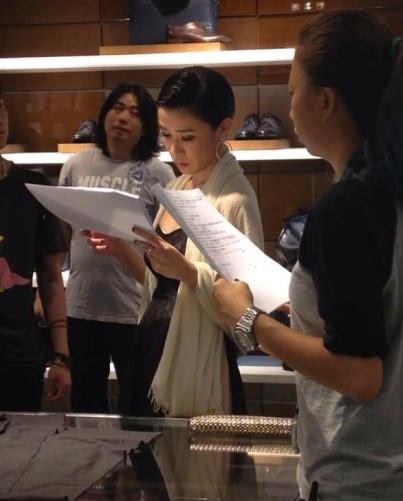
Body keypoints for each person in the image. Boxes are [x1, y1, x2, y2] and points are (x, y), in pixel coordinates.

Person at [214, 10, 403, 501]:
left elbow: (361, 374)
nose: (288, 108)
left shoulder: (346, 208)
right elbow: (382, 324)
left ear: (326, 101)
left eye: (293, 92)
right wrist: (303, 317)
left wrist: (248, 321)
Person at [88, 66, 264, 417]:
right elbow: (159, 285)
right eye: (166, 135)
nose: (174, 149)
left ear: (223, 128)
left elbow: (249, 310)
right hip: (152, 344)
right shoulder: (175, 187)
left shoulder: (234, 200)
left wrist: (189, 272)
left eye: (187, 137)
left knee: (190, 451)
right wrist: (121, 247)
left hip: (197, 361)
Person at [59, 83, 174, 414]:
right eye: (117, 108)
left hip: (134, 308)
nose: (123, 118)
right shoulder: (77, 164)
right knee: (86, 406)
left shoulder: (158, 172)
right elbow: (66, 229)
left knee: (139, 406)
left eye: (134, 113)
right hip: (82, 306)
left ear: (147, 126)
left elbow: (168, 239)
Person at [0, 87, 71, 411]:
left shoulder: (33, 187)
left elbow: (51, 277)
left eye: (1, 107)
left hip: (19, 355)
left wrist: (61, 356)